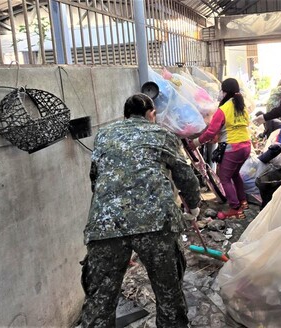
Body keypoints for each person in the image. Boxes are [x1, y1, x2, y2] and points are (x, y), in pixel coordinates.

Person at [81, 93, 201, 327]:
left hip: (106, 225)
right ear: (151, 114)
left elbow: (95, 177)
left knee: (99, 304)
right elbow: (186, 176)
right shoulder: (162, 134)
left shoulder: (105, 134)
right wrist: (194, 207)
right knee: (169, 296)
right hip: (156, 224)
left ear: (125, 115)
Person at [190, 78, 252, 219]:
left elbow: (211, 131)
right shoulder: (242, 107)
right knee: (235, 174)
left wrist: (196, 142)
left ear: (225, 92)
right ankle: (243, 202)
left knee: (224, 178)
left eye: (222, 90)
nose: (220, 93)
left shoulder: (223, 109)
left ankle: (235, 207)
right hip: (246, 146)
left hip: (233, 148)